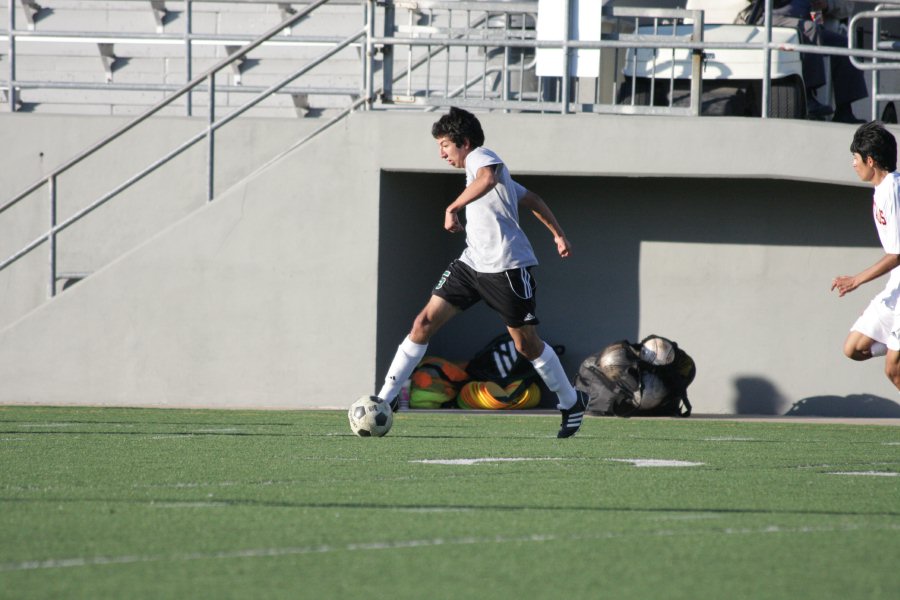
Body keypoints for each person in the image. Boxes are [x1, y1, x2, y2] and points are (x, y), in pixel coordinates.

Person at [375, 107, 590, 438]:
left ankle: (570, 401)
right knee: (423, 324)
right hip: (471, 264)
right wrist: (557, 233)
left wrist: (452, 207)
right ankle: (385, 400)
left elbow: (487, 178)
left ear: (463, 142)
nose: (441, 153)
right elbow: (530, 197)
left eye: (445, 145)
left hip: (506, 268)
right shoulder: (482, 173)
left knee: (527, 346)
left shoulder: (481, 157)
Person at [832, 121, 900, 390]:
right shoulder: (883, 189)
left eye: (855, 158)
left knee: (893, 368)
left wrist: (856, 280)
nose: (853, 164)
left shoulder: (893, 190)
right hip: (895, 288)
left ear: (870, 161)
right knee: (854, 348)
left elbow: (896, 254)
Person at [741, 0, 867, 122]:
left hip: (811, 24)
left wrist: (828, 4)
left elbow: (847, 6)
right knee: (809, 29)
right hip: (770, 21)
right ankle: (808, 98)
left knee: (844, 44)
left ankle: (844, 110)